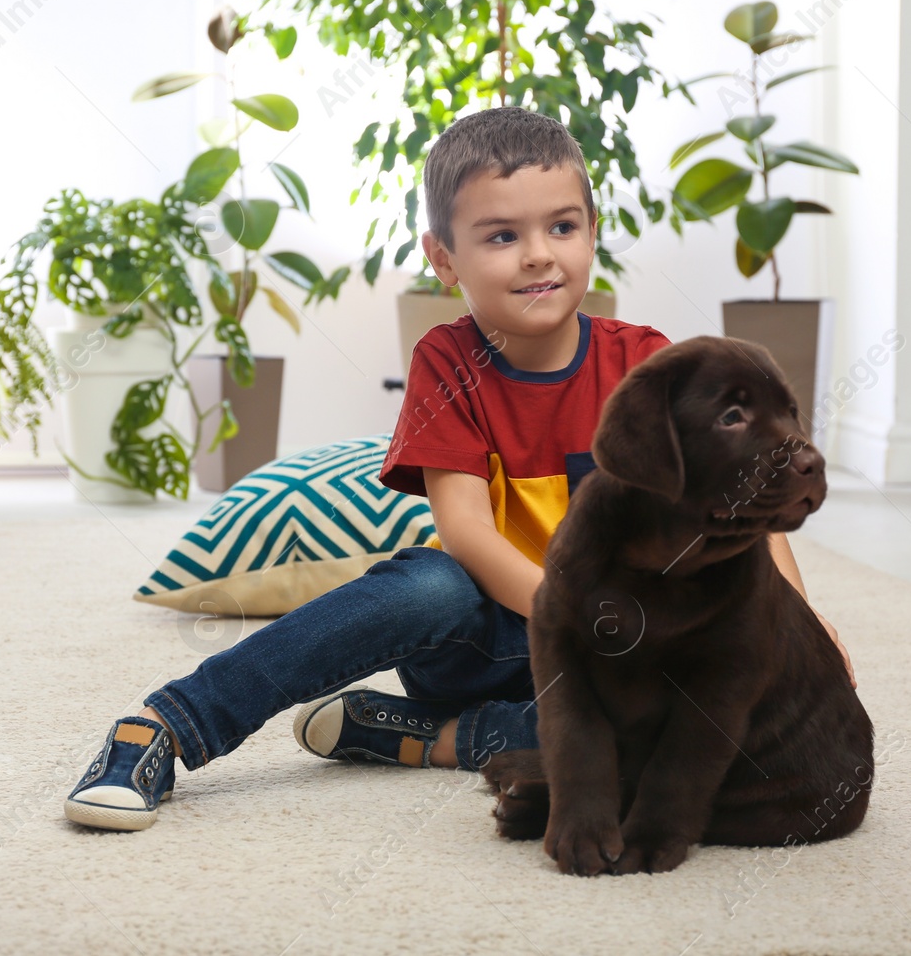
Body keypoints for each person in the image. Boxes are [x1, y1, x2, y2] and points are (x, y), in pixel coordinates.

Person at [63, 105, 851, 832]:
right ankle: (170, 722)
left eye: (562, 226)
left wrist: (799, 626)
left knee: (680, 723)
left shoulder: (646, 362)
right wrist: (576, 627)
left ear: (592, 233)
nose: (539, 254)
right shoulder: (448, 360)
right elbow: (467, 531)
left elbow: (739, 515)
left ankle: (431, 739)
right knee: (430, 582)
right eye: (502, 236)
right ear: (445, 258)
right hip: (497, 633)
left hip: (621, 654)